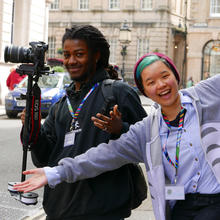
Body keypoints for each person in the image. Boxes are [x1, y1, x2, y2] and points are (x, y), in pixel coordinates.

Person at [15, 52, 220, 220]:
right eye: (151, 82)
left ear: (176, 76)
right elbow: (102, 156)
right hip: (180, 208)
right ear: (145, 91)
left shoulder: (205, 94)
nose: (161, 85)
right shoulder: (146, 130)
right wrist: (54, 173)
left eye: (165, 76)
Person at [18, 25, 147, 220]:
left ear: (96, 56)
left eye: (79, 54)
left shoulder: (118, 93)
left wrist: (121, 129)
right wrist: (32, 128)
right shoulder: (61, 104)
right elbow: (44, 159)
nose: (71, 61)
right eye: (67, 55)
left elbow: (148, 144)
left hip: (103, 212)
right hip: (59, 210)